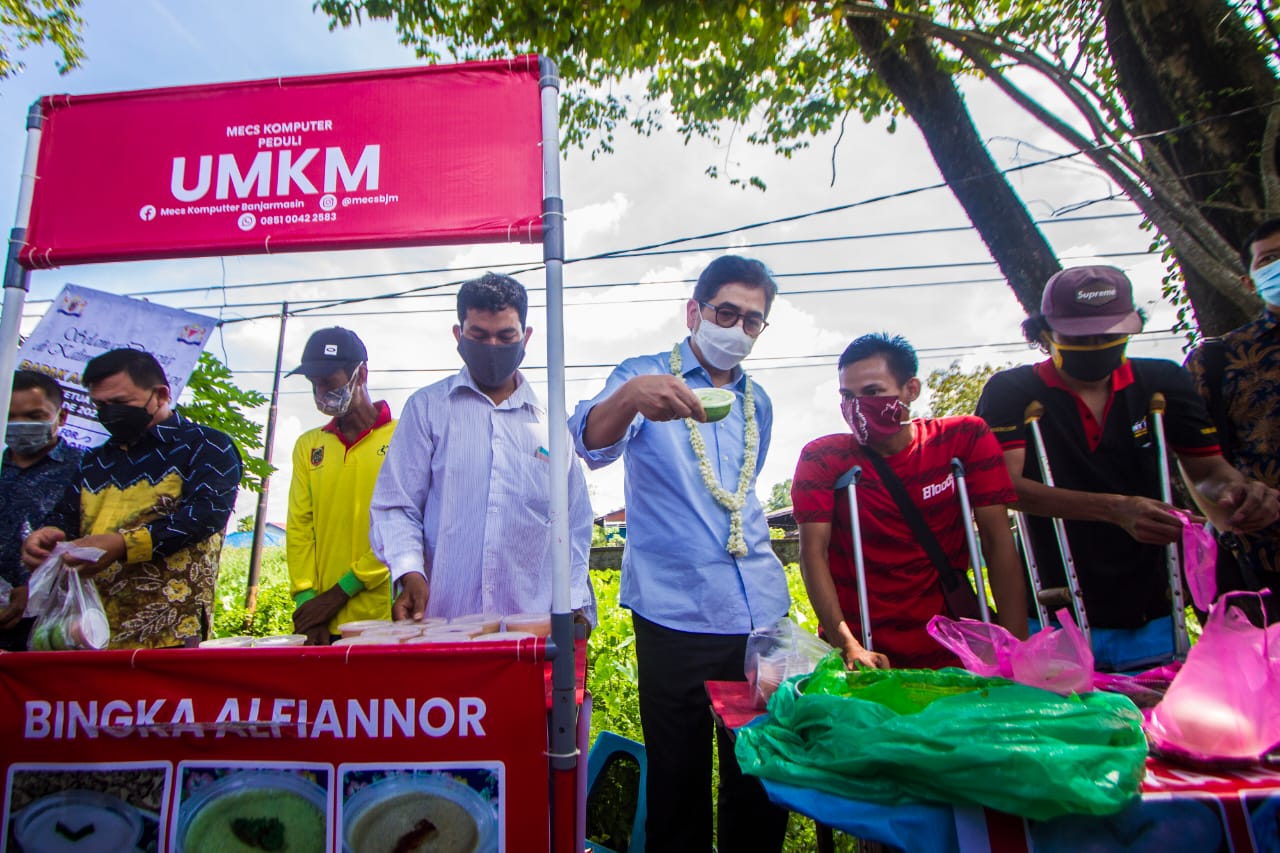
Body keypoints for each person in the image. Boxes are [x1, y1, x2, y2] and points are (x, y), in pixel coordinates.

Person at [570, 255, 790, 853]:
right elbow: (586, 443)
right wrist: (632, 400)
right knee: (678, 779)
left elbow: (741, 491)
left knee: (759, 776)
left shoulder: (758, 402)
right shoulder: (644, 376)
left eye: (753, 321)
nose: (739, 329)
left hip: (762, 617)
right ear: (695, 311)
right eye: (727, 313)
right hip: (676, 615)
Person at [976, 266, 1279, 670]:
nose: (1097, 344)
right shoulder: (1011, 391)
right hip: (1055, 602)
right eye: (1080, 337)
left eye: (1109, 333)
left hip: (1151, 602)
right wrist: (1116, 509)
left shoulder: (1162, 381)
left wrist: (1239, 492)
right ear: (1044, 333)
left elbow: (1209, 472)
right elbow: (1006, 487)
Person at [792, 334, 1028, 670]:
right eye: (847, 395)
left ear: (910, 390)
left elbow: (996, 539)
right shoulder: (824, 457)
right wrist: (848, 646)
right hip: (869, 652)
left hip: (953, 644)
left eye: (872, 392)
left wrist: (1015, 646)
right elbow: (813, 553)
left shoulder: (964, 438)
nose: (857, 406)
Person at [369, 272, 595, 622]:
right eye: (479, 335)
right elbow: (396, 505)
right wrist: (409, 571)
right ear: (459, 335)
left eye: (505, 336)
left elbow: (574, 519)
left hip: (529, 628)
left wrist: (575, 598)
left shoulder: (552, 420)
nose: (492, 346)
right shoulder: (427, 408)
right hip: (443, 623)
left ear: (526, 337)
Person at [21, 348, 241, 649]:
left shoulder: (206, 445)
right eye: (100, 405)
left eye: (121, 403)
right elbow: (65, 516)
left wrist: (122, 545)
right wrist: (48, 535)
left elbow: (205, 515)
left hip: (168, 629)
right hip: (87, 627)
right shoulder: (94, 460)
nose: (110, 413)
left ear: (161, 395)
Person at [1185, 219, 1280, 600]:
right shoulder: (1216, 360)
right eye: (1270, 259)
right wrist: (1226, 516)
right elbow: (1192, 459)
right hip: (1265, 569)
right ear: (1249, 281)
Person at [286, 327, 395, 645]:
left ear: (361, 374)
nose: (320, 393)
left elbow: (404, 527)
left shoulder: (403, 437)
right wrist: (307, 603)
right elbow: (299, 529)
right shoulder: (309, 446)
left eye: (328, 382)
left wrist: (341, 591)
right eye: (314, 384)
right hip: (322, 622)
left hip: (386, 617)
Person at [0, 371, 83, 651]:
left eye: (34, 416)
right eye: (10, 415)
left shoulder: (86, 468)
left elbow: (91, 538)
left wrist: (34, 591)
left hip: (52, 625)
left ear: (61, 417)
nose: (19, 425)